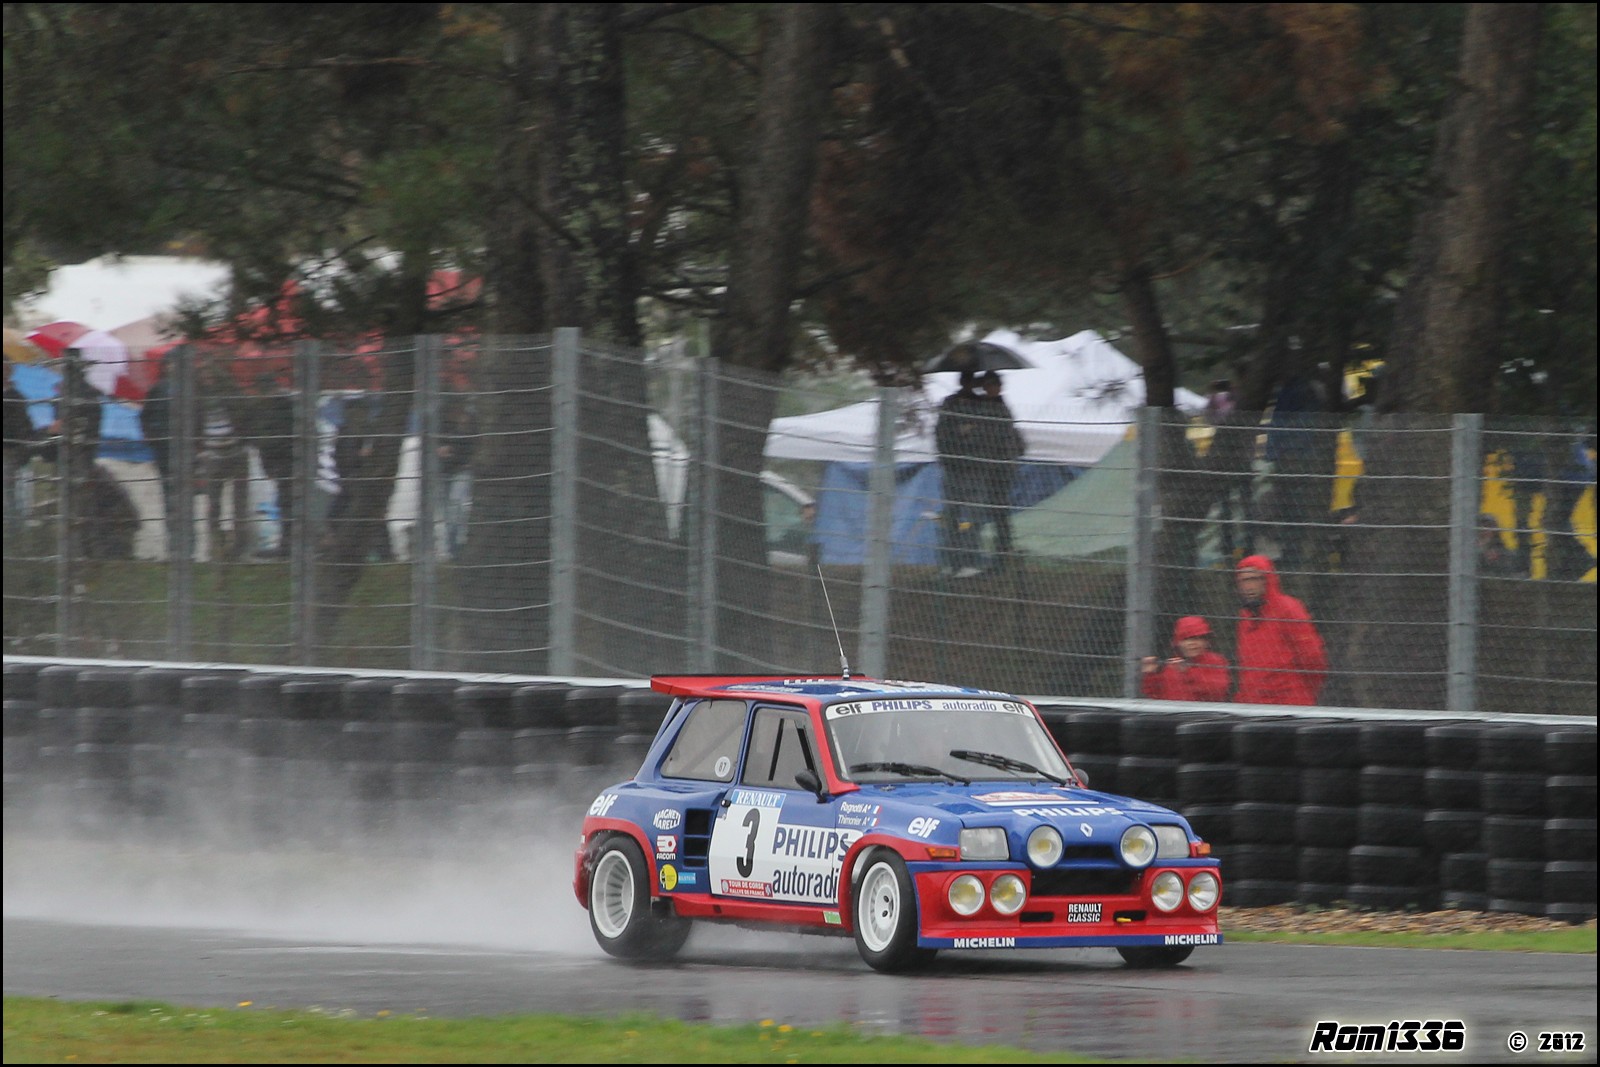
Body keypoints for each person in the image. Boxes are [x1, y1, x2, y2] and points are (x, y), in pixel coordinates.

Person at [934, 368, 1024, 577]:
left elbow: (1005, 440)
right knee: (959, 515)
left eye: (993, 385)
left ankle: (992, 561)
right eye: (987, 385)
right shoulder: (963, 405)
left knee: (987, 516)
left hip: (993, 471)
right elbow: (944, 436)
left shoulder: (996, 408)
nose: (990, 388)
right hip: (970, 469)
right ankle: (956, 562)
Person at [1233, 554, 1327, 705]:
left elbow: (1312, 657)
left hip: (1288, 702)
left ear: (1267, 579)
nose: (1249, 587)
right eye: (1243, 581)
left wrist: (1304, 692)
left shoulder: (1288, 609)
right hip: (1254, 702)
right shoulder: (1246, 616)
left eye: (1254, 579)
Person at [1141, 616, 1231, 702]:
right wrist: (1151, 675)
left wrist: (1188, 673)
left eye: (1198, 639)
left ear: (1206, 642)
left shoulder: (1215, 661)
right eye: (1186, 639)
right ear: (1178, 643)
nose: (1192, 643)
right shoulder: (1172, 665)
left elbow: (1217, 691)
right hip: (1172, 711)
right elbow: (1153, 694)